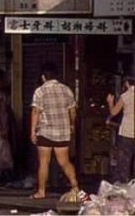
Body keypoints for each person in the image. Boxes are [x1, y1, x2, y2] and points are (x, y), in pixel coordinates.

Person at [30, 62, 79, 200]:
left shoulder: (40, 91)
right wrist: (71, 125)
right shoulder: (66, 90)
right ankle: (75, 186)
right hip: (63, 132)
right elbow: (72, 111)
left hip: (45, 131)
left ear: (43, 77)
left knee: (43, 162)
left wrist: (32, 131)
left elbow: (36, 111)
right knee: (65, 162)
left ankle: (41, 191)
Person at [107, 75, 134, 183]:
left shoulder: (126, 96)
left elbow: (114, 112)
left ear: (127, 83)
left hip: (127, 132)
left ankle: (125, 184)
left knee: (124, 161)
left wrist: (110, 102)